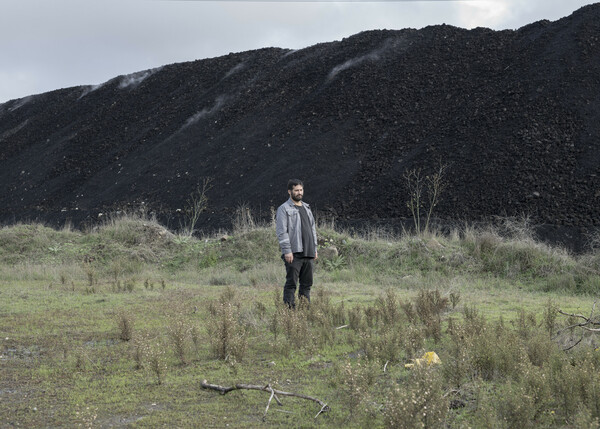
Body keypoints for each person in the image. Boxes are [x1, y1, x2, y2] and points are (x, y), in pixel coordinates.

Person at [275, 179, 318, 308]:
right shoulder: (284, 209)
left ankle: (304, 309)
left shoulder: (306, 207)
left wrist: (314, 249)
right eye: (296, 190)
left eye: (301, 190)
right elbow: (282, 232)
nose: (299, 193)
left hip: (308, 252)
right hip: (294, 253)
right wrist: (287, 250)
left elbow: (312, 229)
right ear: (289, 191)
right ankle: (290, 311)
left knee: (306, 284)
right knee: (291, 283)